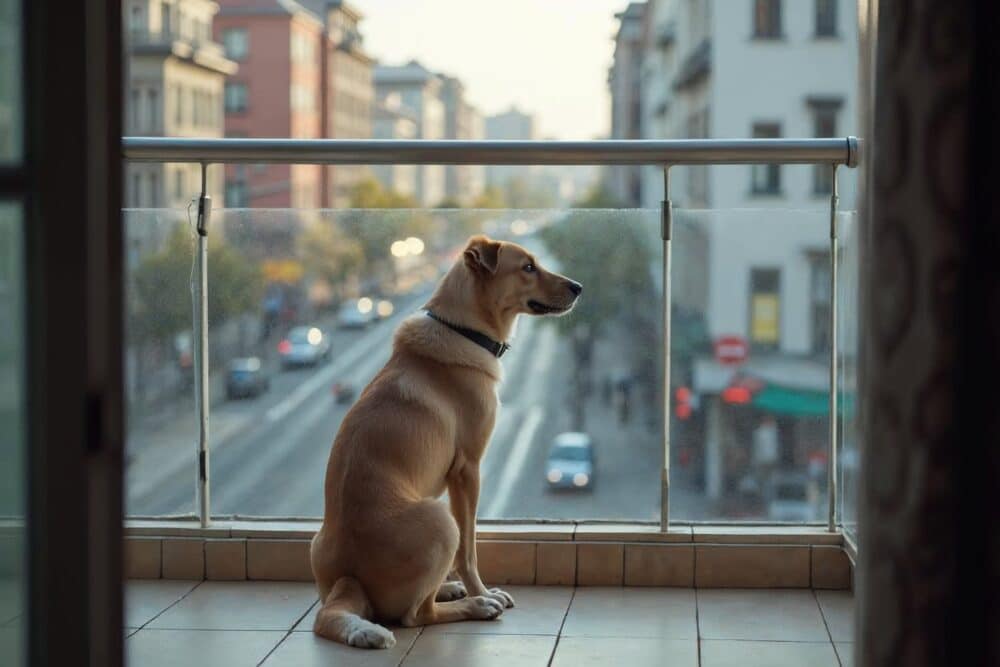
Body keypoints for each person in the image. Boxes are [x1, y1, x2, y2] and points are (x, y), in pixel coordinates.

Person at [752, 415, 780, 496]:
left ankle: (767, 494)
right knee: (765, 479)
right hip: (764, 460)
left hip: (768, 459)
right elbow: (758, 447)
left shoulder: (771, 431)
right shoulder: (762, 432)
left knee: (769, 479)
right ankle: (765, 494)